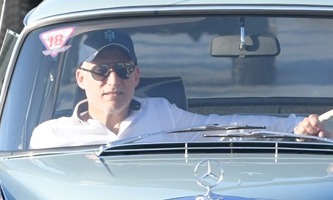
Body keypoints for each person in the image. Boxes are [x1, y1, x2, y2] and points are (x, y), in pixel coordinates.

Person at [28, 30, 295, 148]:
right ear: (81, 78)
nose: (113, 80)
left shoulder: (162, 115)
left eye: (123, 69)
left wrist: (295, 127)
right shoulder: (49, 138)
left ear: (136, 77)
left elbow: (226, 129)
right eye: (100, 70)